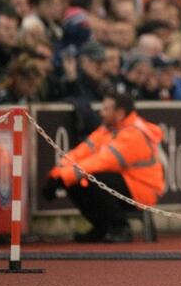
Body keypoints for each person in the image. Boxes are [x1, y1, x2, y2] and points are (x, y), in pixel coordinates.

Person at [42, 91, 165, 243]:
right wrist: (57, 174)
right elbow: (81, 152)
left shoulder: (134, 133)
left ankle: (121, 228)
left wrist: (64, 176)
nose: (101, 113)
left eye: (106, 109)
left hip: (143, 189)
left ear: (120, 113)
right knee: (76, 182)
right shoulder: (107, 129)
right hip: (127, 182)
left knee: (94, 179)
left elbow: (104, 161)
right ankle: (101, 227)